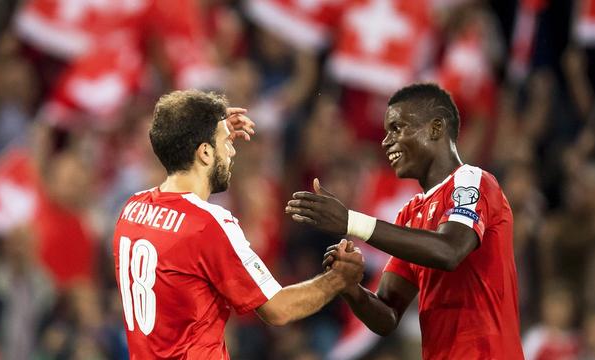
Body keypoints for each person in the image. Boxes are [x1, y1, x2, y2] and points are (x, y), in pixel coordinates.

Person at [111, 90, 363, 359]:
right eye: (225, 143)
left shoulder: (132, 209)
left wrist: (210, 129)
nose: (232, 151)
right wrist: (338, 279)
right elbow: (279, 309)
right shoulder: (208, 224)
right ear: (205, 152)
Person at [285, 83, 524, 359]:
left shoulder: (473, 180)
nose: (386, 141)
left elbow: (449, 251)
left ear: (436, 129)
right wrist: (350, 287)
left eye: (397, 128)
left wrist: (351, 221)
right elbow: (387, 315)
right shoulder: (411, 213)